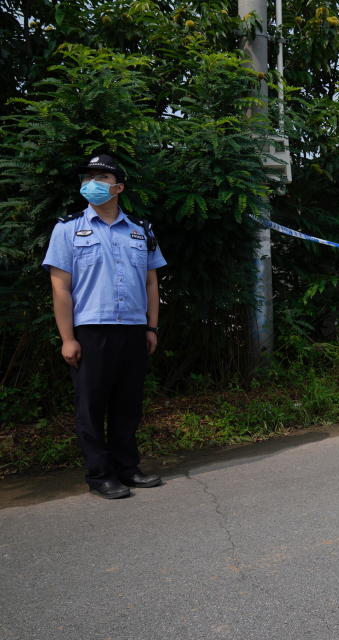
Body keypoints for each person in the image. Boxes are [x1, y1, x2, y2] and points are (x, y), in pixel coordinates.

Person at [42, 153, 166, 499]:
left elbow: (151, 283)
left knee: (128, 405)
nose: (91, 184)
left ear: (119, 187)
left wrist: (151, 328)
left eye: (100, 178)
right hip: (92, 331)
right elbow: (60, 287)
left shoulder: (141, 231)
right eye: (87, 178)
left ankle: (128, 468)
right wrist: (67, 338)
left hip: (132, 329)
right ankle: (100, 476)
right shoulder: (67, 229)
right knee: (91, 407)